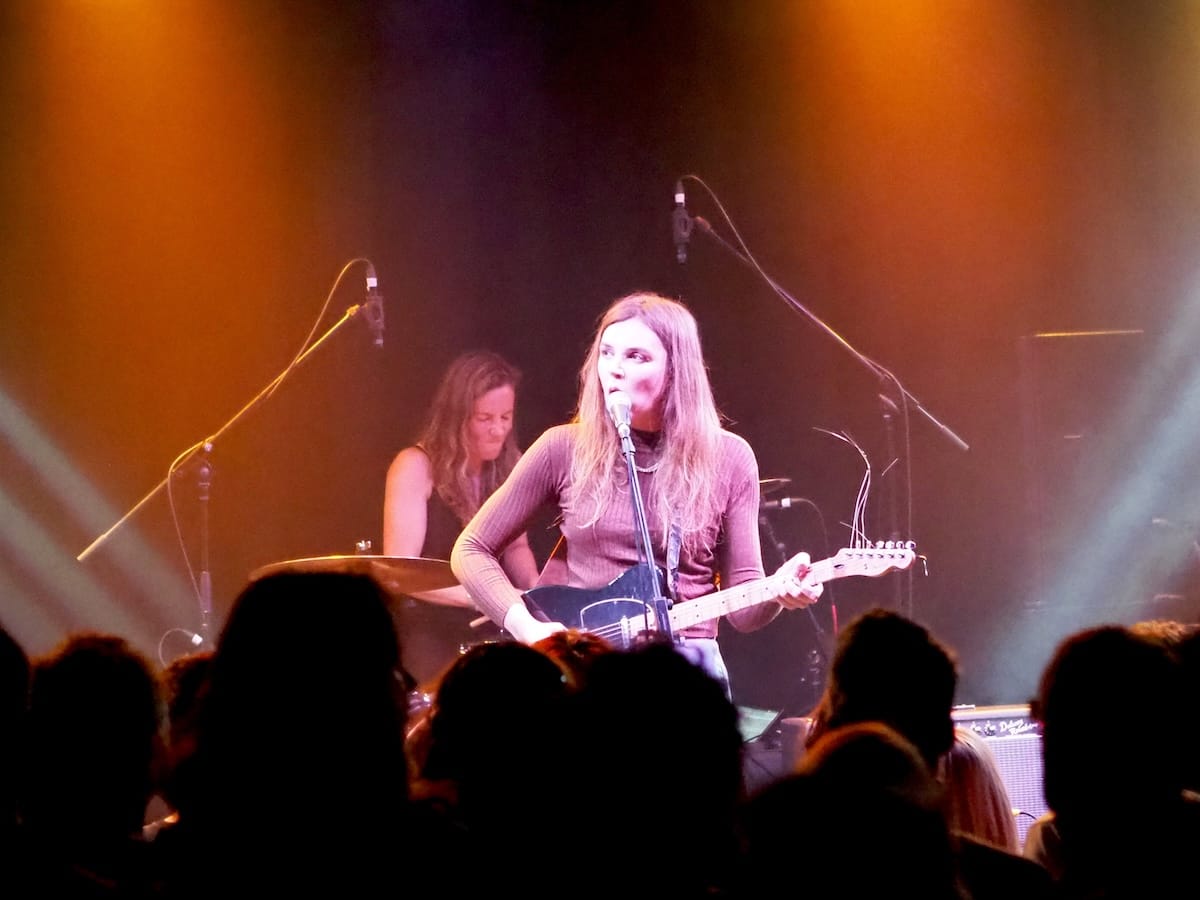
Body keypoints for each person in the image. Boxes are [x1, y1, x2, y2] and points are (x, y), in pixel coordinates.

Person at [451, 291, 823, 699]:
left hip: (687, 675)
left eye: (636, 357)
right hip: (588, 674)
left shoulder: (729, 458)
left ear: (676, 371)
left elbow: (744, 610)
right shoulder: (563, 448)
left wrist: (779, 594)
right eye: (607, 353)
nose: (614, 370)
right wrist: (529, 629)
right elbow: (471, 548)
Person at [384, 349, 540, 606]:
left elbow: (516, 548)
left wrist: (535, 588)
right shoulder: (414, 466)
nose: (498, 429)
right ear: (457, 418)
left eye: (506, 417)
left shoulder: (512, 463)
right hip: (430, 619)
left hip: (494, 612)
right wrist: (483, 599)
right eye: (484, 418)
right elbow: (400, 570)